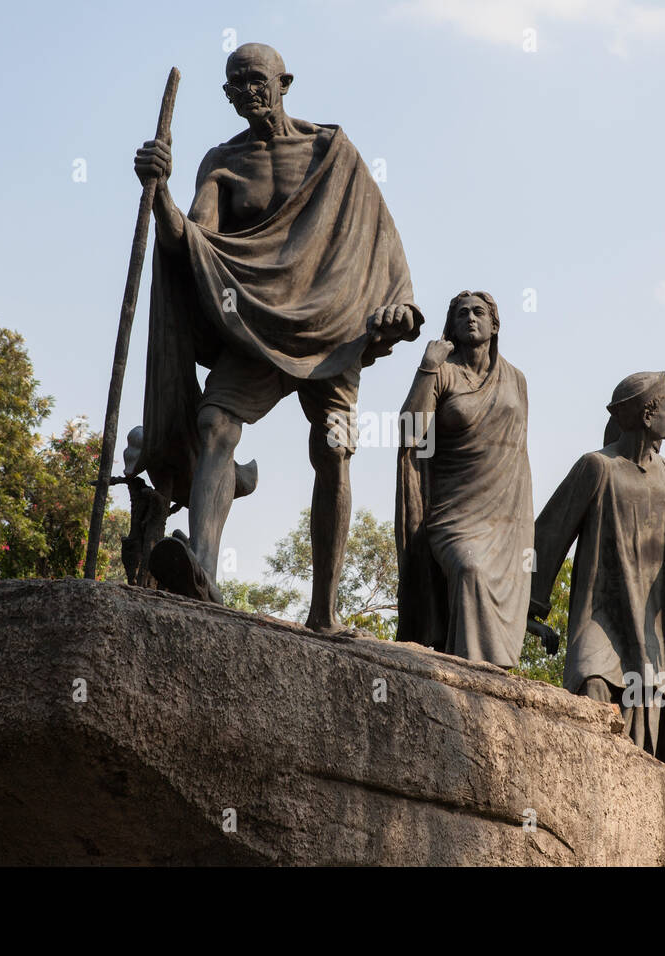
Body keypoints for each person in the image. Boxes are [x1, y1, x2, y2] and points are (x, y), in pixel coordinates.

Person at [132, 42, 422, 631]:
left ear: (284, 81)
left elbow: (380, 241)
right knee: (215, 422)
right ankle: (201, 569)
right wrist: (158, 192)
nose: (246, 91)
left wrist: (402, 306)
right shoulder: (222, 161)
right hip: (254, 325)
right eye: (235, 84)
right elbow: (193, 243)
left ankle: (325, 609)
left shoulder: (333, 154)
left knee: (334, 449)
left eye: (256, 79)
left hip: (333, 334)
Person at [529, 372, 665, 765]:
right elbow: (547, 535)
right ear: (645, 413)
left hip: (652, 623)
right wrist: (528, 611)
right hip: (602, 615)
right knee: (592, 685)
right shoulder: (597, 467)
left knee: (643, 732)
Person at [395, 291, 532, 666]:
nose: (470, 319)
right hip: (452, 516)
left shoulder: (517, 380)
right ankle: (474, 678)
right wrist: (426, 366)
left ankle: (493, 675)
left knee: (491, 581)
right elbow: (410, 432)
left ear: (495, 324)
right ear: (451, 326)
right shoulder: (442, 373)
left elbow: (518, 460)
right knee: (470, 568)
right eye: (461, 314)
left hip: (502, 519)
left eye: (479, 312)